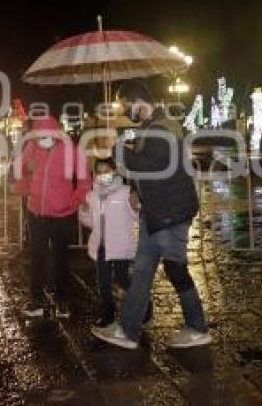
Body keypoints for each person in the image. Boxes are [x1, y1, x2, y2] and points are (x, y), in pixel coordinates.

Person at [92, 80, 211, 350]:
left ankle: (197, 327)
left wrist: (120, 149)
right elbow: (144, 169)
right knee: (143, 270)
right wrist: (135, 188)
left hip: (170, 211)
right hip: (156, 211)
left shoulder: (162, 129)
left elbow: (150, 164)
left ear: (137, 103)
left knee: (175, 268)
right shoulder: (150, 128)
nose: (125, 111)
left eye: (126, 106)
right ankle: (127, 329)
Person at [17, 115, 90, 319]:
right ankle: (37, 301)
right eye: (39, 136)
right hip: (36, 212)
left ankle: (62, 301)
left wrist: (76, 199)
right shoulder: (32, 148)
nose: (42, 139)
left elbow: (84, 178)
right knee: (37, 257)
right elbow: (18, 168)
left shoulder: (71, 151)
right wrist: (24, 178)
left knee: (61, 258)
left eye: (46, 135)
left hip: (62, 214)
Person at [79, 158, 150, 327]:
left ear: (114, 171)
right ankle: (107, 315)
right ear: (95, 174)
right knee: (103, 282)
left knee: (122, 279)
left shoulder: (126, 192)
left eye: (107, 171)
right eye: (99, 172)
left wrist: (135, 206)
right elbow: (89, 222)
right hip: (101, 246)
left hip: (120, 245)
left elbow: (136, 216)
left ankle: (145, 305)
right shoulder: (92, 195)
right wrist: (83, 211)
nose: (103, 175)